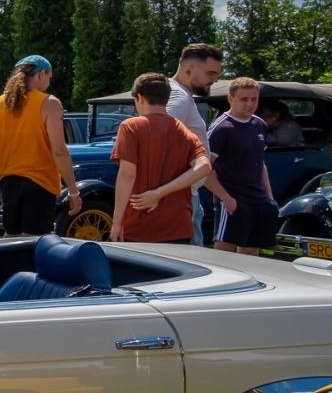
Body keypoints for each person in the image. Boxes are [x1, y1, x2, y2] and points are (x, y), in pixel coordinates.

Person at [0, 54, 81, 235]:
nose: (49, 82)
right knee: (36, 243)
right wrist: (73, 191)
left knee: (12, 239)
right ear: (41, 74)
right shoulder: (50, 103)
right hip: (40, 182)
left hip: (8, 182)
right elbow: (59, 150)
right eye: (49, 77)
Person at [109, 73, 212, 244]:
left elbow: (127, 175)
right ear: (166, 97)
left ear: (139, 98)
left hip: (138, 224)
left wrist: (116, 223)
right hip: (178, 226)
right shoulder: (184, 131)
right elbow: (204, 167)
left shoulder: (130, 126)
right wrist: (159, 193)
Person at [205, 77, 280, 256]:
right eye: (244, 99)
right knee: (225, 253)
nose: (249, 104)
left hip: (258, 198)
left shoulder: (259, 124)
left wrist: (269, 197)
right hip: (234, 198)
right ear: (231, 99)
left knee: (251, 251)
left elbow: (260, 163)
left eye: (254, 99)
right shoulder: (221, 128)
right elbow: (204, 170)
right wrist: (226, 199)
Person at [167, 43, 224, 246]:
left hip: (185, 194)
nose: (215, 80)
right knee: (192, 266)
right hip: (182, 197)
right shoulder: (179, 97)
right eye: (210, 73)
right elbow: (158, 134)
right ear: (189, 69)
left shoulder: (177, 93)